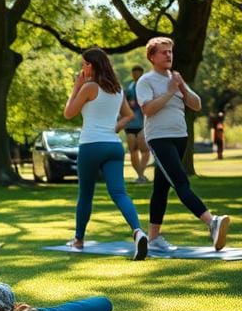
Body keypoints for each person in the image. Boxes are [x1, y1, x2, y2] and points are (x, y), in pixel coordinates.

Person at [136, 37, 230, 252]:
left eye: (170, 51)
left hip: (180, 137)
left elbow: (196, 105)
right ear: (152, 56)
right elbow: (148, 110)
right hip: (159, 138)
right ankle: (211, 222)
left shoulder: (176, 78)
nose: (168, 55)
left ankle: (154, 237)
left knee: (161, 187)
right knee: (181, 182)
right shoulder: (146, 81)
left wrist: (182, 88)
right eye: (163, 52)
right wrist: (170, 91)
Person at [63, 48, 147, 259]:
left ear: (91, 66)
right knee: (119, 193)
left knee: (86, 194)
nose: (82, 68)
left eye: (84, 64)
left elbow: (68, 113)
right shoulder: (116, 90)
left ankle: (79, 240)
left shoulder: (89, 87)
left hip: (91, 145)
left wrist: (76, 88)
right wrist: (114, 128)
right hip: (114, 147)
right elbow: (129, 116)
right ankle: (137, 231)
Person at [123, 66, 151, 183]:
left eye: (138, 73)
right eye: (134, 73)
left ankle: (141, 175)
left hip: (142, 123)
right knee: (133, 149)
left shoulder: (145, 87)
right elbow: (124, 104)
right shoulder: (129, 88)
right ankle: (140, 176)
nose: (136, 75)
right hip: (130, 124)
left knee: (144, 149)